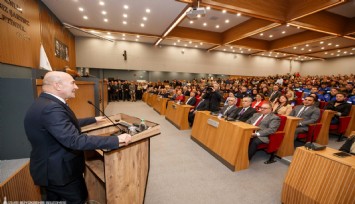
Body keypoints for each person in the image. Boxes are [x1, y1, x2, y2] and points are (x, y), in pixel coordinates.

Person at [24, 71, 132, 203]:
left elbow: (64, 124)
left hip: (50, 169)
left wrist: (93, 119)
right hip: (60, 173)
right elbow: (74, 140)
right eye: (72, 83)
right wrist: (115, 139)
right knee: (78, 199)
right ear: (58, 85)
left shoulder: (44, 102)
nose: (76, 87)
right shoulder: (51, 108)